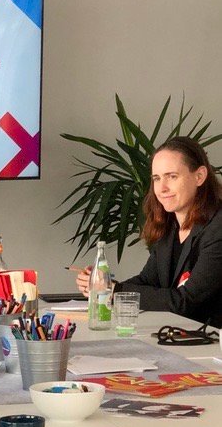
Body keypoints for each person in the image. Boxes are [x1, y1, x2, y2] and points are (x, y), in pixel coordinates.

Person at [76, 137, 222, 326]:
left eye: (172, 176)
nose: (162, 188)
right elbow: (148, 281)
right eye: (156, 178)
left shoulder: (218, 228)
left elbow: (185, 301)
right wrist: (103, 285)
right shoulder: (169, 225)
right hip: (179, 334)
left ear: (199, 176)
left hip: (212, 340)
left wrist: (114, 290)